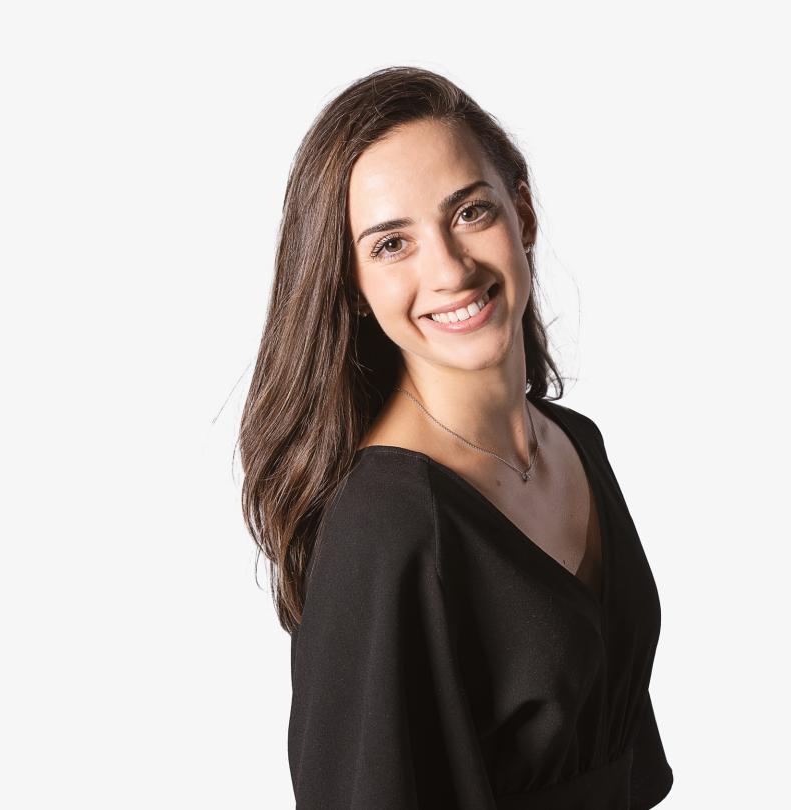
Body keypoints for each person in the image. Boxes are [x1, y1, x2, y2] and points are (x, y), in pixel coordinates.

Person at [238, 65, 674, 809]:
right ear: (353, 286)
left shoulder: (577, 446)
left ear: (522, 215)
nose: (448, 269)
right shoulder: (389, 526)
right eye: (390, 245)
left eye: (470, 212)